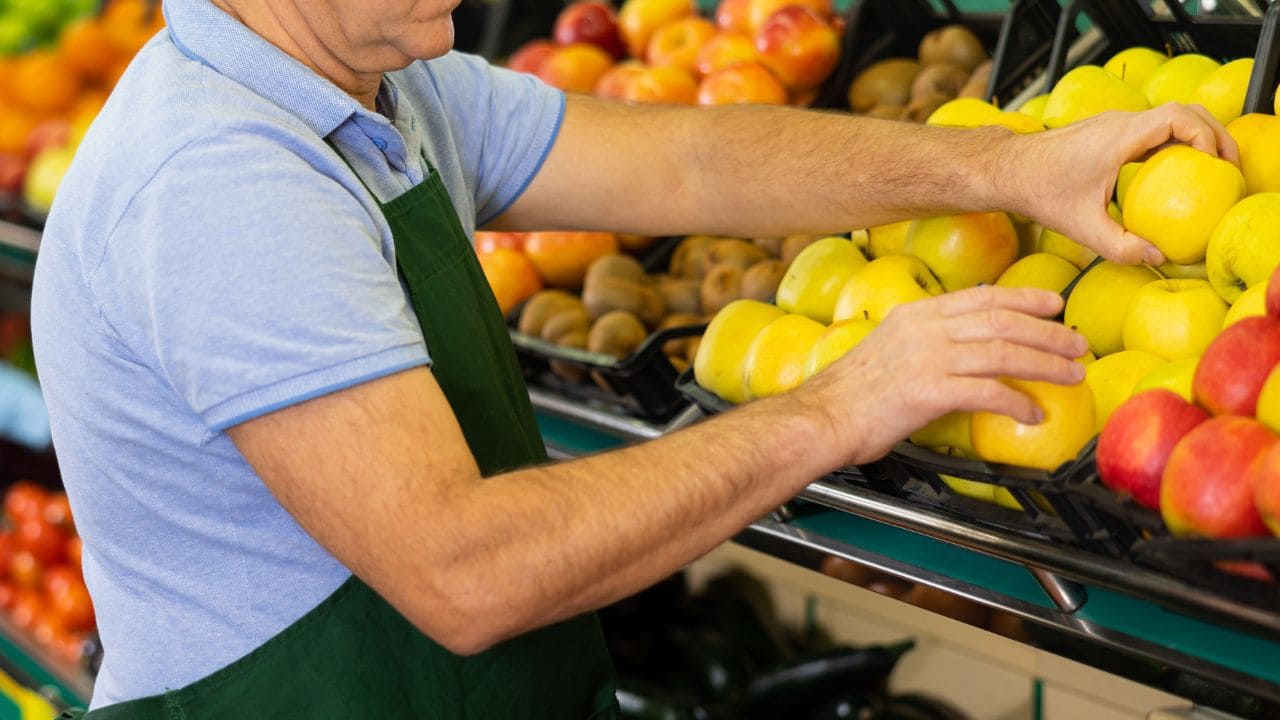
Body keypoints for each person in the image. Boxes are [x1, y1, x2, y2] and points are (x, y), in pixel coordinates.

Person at [29, 0, 1236, 716]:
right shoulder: (217, 181)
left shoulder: (379, 89)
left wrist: (1005, 167)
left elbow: (690, 166)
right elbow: (463, 572)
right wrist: (841, 406)